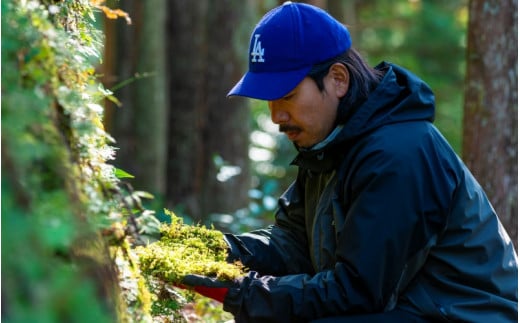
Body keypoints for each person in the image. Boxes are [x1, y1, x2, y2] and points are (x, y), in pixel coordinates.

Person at [180, 2, 518, 322]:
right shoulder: (332, 143)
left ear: (338, 79)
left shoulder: (398, 154)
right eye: (269, 101)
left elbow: (358, 290)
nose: (276, 116)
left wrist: (243, 293)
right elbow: (293, 246)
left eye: (287, 95)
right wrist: (214, 250)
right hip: (412, 308)